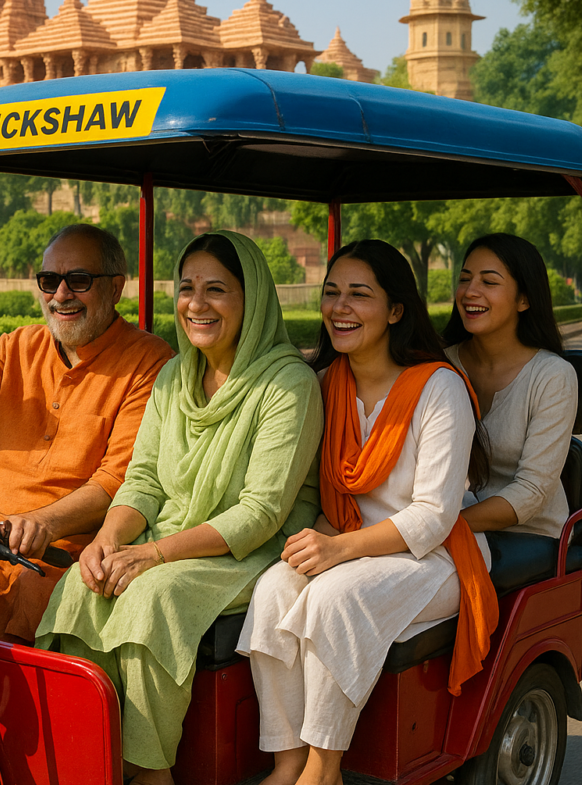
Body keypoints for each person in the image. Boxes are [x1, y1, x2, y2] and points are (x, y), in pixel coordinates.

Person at [35, 230, 324, 785]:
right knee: (82, 583)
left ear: (252, 298)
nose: (197, 303)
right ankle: (88, 757)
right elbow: (142, 479)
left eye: (216, 289)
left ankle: (150, 770)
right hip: (171, 539)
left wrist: (155, 556)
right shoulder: (174, 375)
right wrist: (108, 540)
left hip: (251, 551)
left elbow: (259, 512)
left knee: (152, 595)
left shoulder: (288, 384)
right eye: (186, 288)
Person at [237, 240, 497, 785]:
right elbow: (333, 501)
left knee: (333, 598)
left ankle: (322, 768)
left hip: (438, 557)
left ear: (396, 310)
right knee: (274, 589)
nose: (340, 307)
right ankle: (285, 761)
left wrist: (335, 550)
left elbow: (432, 517)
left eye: (360, 294)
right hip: (352, 543)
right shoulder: (327, 384)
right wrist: (321, 544)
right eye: (332, 293)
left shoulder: (439, 387)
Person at [0, 200, 173, 642]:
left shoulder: (148, 362)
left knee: (25, 655)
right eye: (49, 280)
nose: (61, 295)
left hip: (74, 558)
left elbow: (120, 479)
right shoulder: (20, 348)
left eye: (78, 281)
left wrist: (44, 524)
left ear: (116, 289)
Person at [442, 233, 578, 551]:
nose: (470, 291)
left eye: (489, 282)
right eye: (465, 279)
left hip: (528, 533)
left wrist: (431, 529)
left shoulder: (553, 376)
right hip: (448, 518)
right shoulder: (440, 363)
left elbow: (531, 493)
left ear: (524, 299)